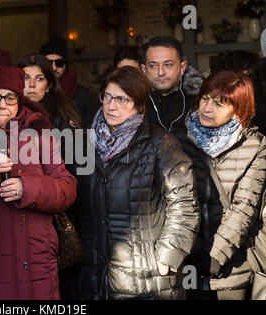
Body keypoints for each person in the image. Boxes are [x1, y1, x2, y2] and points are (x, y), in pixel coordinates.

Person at [0, 65, 77, 300]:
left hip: (37, 258)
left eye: (10, 98)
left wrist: (27, 187)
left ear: (19, 102)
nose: (2, 104)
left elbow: (67, 188)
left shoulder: (39, 136)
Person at [76, 66, 200, 300]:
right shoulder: (84, 143)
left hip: (147, 272)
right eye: (108, 97)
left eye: (122, 100)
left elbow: (184, 203)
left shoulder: (160, 144)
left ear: (139, 105)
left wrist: (168, 255)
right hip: (96, 271)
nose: (112, 106)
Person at [177, 70, 266, 300]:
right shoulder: (179, 140)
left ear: (239, 108)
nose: (207, 108)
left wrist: (216, 256)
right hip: (186, 258)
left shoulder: (255, 145)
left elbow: (245, 206)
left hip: (233, 261)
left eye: (219, 104)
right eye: (205, 98)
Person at [16, 53, 83, 299]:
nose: (31, 85)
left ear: (49, 84)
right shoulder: (8, 115)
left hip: (60, 209)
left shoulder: (64, 115)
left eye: (39, 78)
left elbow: (75, 170)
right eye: (25, 78)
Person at [39, 37, 98, 128]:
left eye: (59, 63)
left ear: (66, 65)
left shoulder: (84, 96)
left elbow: (91, 130)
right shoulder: (34, 92)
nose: (54, 68)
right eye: (49, 63)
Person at [141, 36, 193, 136]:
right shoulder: (134, 104)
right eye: (153, 66)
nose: (161, 72)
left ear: (182, 68)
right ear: (144, 70)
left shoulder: (199, 103)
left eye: (168, 65)